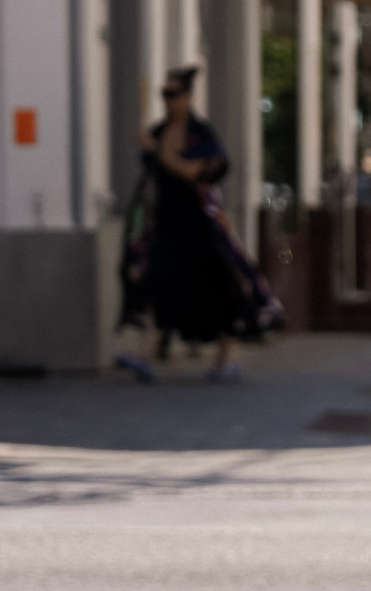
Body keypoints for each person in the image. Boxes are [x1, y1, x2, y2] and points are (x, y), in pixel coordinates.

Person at [115, 66, 282, 383]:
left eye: (173, 94)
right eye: (164, 94)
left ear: (187, 96)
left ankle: (226, 356)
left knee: (217, 287)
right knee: (158, 282)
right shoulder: (161, 130)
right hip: (167, 223)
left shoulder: (200, 133)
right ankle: (145, 354)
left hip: (200, 225)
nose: (167, 100)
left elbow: (195, 171)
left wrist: (160, 153)